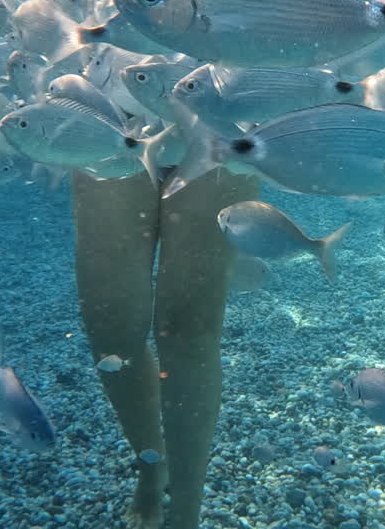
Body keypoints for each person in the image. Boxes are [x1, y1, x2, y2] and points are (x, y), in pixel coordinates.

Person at [72, 166, 258, 529]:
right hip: (116, 113)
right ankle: (152, 465)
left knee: (191, 328)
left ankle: (187, 510)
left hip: (216, 118)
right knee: (111, 330)